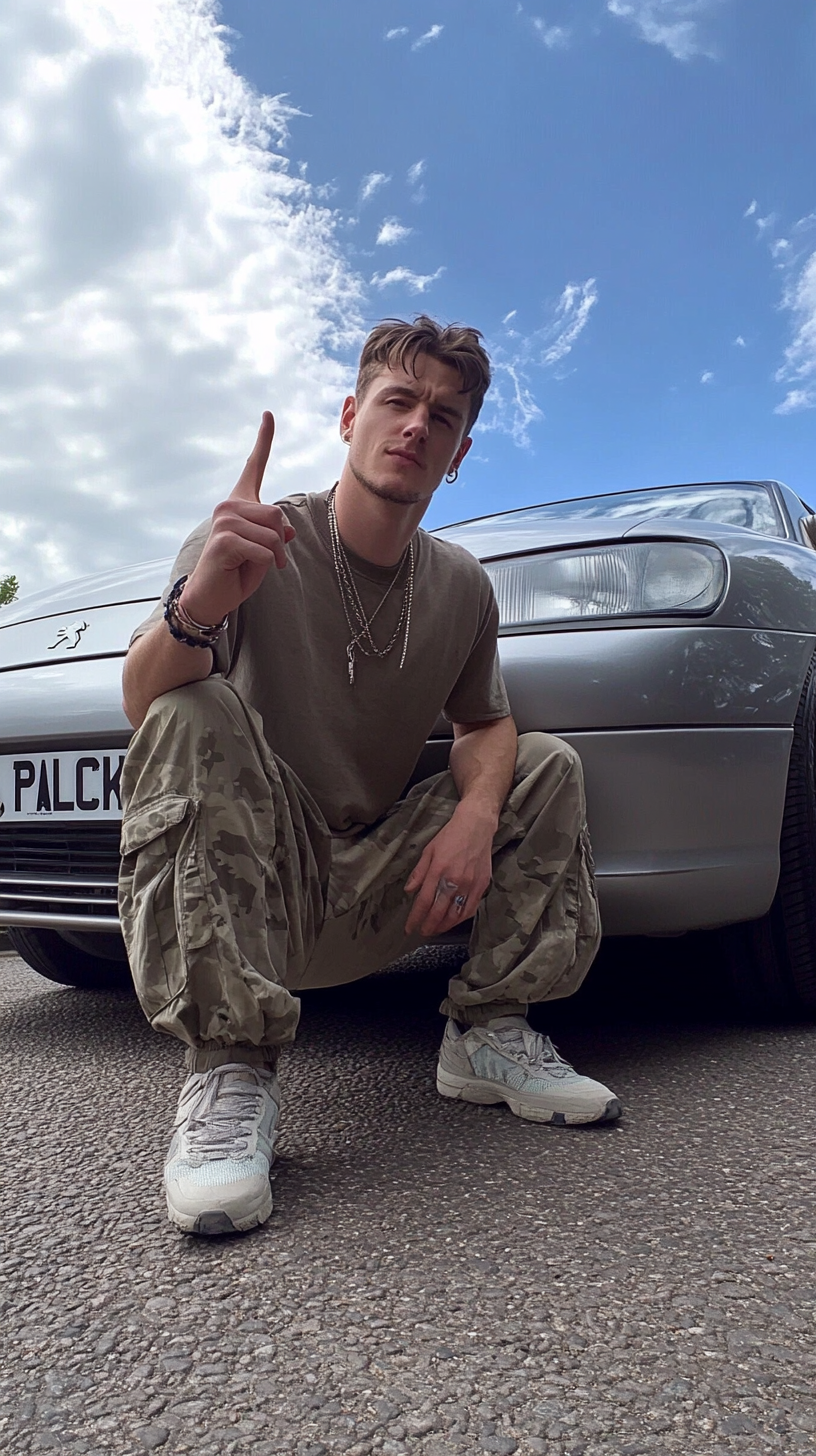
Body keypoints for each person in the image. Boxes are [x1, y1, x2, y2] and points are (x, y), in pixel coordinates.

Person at [120, 315, 619, 1238]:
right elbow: (143, 705)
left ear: (459, 454)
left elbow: (486, 723)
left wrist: (474, 815)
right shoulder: (254, 537)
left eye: (442, 414)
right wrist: (195, 612)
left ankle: (487, 1034)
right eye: (397, 401)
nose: (415, 427)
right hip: (262, 877)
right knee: (195, 708)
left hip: (384, 880)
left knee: (543, 764)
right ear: (351, 414)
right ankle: (230, 1072)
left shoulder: (464, 586)